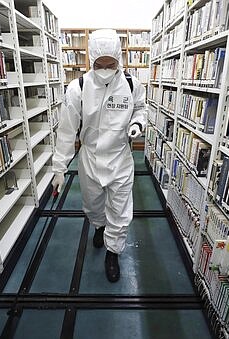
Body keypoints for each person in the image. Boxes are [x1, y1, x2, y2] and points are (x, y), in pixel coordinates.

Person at [51, 29, 147, 282]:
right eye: (99, 64)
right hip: (90, 158)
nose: (105, 69)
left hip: (120, 158)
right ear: (90, 60)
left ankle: (112, 252)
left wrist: (138, 123)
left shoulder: (131, 84)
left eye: (110, 64)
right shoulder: (78, 88)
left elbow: (140, 108)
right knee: (93, 205)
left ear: (119, 60)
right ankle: (99, 226)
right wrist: (58, 169)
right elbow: (66, 130)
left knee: (120, 210)